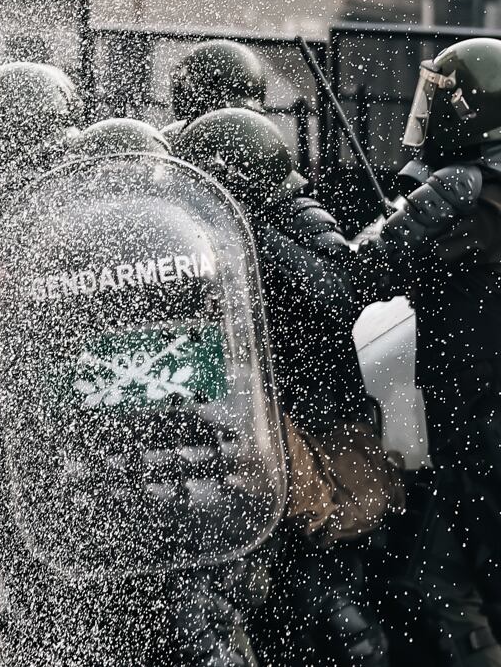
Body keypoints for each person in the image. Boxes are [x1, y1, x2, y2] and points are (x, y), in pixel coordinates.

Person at [175, 108, 399, 666]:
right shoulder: (267, 224)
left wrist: (248, 238)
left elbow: (336, 300)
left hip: (319, 439)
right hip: (281, 431)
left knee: (321, 602)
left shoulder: (280, 233)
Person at [349, 38, 501, 666]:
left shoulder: (460, 188)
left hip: (482, 429)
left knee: (436, 583)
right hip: (478, 419)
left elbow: (359, 273)